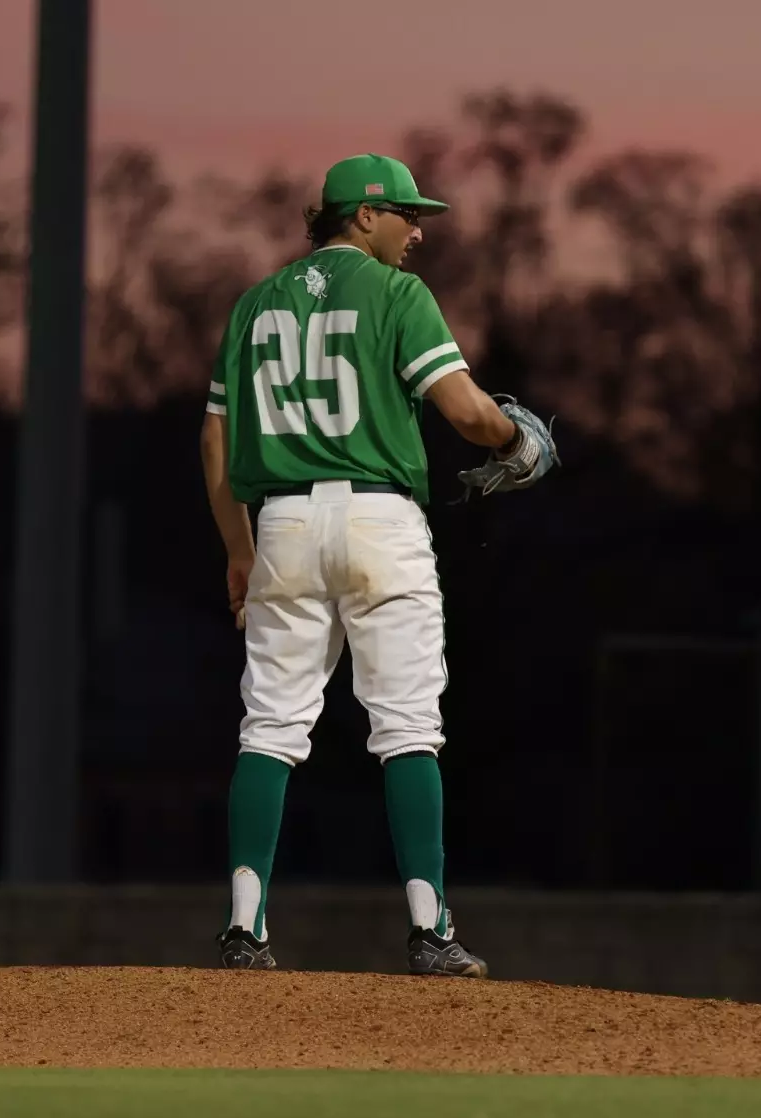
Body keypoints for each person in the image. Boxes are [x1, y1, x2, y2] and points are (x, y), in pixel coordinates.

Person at [200, 153, 557, 976]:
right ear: (362, 216)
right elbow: (465, 411)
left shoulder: (255, 304)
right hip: (379, 520)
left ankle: (244, 929)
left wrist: (238, 547)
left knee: (272, 725)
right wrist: (517, 440)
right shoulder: (396, 294)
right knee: (406, 727)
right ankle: (430, 933)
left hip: (282, 523)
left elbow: (215, 437)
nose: (418, 230)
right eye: (406, 213)